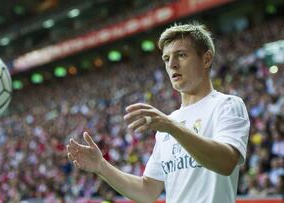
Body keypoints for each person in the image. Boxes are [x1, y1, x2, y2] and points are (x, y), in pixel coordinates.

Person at [67, 22, 250, 203]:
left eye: (181, 55)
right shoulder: (169, 123)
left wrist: (171, 127)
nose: (172, 64)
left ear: (206, 59)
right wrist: (101, 167)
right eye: (166, 59)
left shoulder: (226, 105)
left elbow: (226, 163)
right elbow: (147, 191)